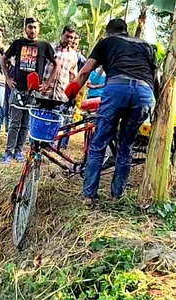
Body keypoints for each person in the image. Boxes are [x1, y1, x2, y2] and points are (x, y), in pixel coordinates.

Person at [70, 18, 157, 204]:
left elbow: (85, 72)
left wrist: (71, 95)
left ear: (109, 32)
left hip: (117, 88)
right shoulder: (146, 46)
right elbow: (154, 77)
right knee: (126, 146)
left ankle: (89, 196)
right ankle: (117, 195)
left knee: (99, 142)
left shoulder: (106, 42)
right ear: (126, 31)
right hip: (144, 93)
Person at [0, 17, 59, 164]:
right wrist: (7, 78)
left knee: (26, 124)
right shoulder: (18, 43)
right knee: (14, 123)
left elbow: (56, 65)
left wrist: (47, 83)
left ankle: (19, 151)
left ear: (39, 29)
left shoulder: (44, 46)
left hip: (34, 93)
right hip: (18, 90)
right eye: (30, 27)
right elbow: (4, 58)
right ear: (25, 29)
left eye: (35, 27)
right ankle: (8, 152)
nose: (32, 30)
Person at [42, 25, 78, 102]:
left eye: (71, 38)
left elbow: (73, 77)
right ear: (62, 35)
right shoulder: (50, 48)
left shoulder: (73, 55)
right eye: (67, 36)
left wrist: (72, 96)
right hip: (44, 93)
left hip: (61, 96)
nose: (69, 39)